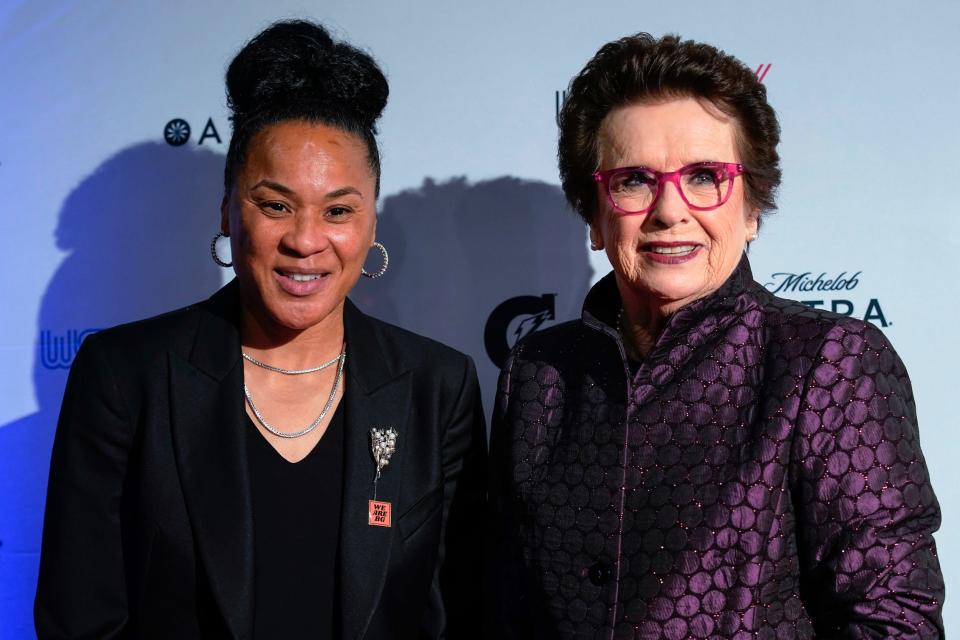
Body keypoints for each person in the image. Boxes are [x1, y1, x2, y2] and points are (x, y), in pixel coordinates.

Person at [35, 20, 486, 639]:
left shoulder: (439, 387)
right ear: (228, 210)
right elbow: (81, 620)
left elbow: (462, 613)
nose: (305, 240)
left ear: (372, 221)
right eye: (275, 205)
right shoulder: (124, 376)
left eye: (338, 210)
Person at [487, 33, 943, 639]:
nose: (670, 210)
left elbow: (892, 621)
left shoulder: (828, 363)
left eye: (704, 176)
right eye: (633, 181)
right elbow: (498, 606)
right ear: (594, 217)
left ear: (752, 209)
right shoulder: (539, 371)